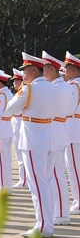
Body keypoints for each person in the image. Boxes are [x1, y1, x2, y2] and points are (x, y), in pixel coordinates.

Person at [5, 52, 56, 238]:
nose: (23, 75)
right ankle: (47, 223)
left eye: (25, 70)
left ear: (34, 69)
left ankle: (43, 225)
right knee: (47, 182)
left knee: (37, 184)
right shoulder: (52, 87)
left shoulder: (29, 89)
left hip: (34, 139)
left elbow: (11, 108)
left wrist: (24, 93)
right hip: (49, 136)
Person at [42, 52, 72, 225]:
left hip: (54, 129)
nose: (42, 72)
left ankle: (60, 213)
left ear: (52, 69)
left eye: (44, 69)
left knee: (55, 174)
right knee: (56, 174)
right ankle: (59, 210)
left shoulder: (56, 87)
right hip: (58, 128)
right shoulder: (64, 86)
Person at [64, 51, 80, 217]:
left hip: (73, 128)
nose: (64, 72)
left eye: (67, 69)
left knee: (75, 168)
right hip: (76, 127)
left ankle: (79, 202)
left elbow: (68, 108)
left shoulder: (74, 85)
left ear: (74, 70)